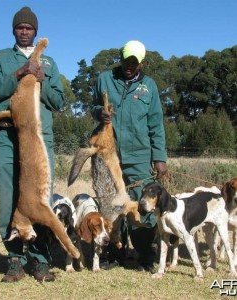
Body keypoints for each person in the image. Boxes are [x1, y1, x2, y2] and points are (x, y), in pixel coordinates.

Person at [0, 6, 65, 283]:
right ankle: (15, 260)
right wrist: (18, 72)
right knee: (8, 200)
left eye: (29, 28)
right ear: (14, 30)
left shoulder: (50, 63)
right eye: (20, 27)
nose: (25, 31)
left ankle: (41, 261)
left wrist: (42, 80)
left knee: (41, 202)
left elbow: (60, 102)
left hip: (40, 141)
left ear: (36, 31)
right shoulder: (0, 58)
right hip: (8, 138)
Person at [90, 40, 168, 272]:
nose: (129, 66)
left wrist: (159, 157)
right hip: (108, 154)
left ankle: (145, 255)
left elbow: (156, 123)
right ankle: (115, 252)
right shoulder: (105, 79)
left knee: (142, 206)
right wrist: (99, 113)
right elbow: (93, 106)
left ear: (141, 63)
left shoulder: (149, 87)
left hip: (139, 156)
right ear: (120, 58)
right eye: (126, 60)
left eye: (134, 62)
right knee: (112, 205)